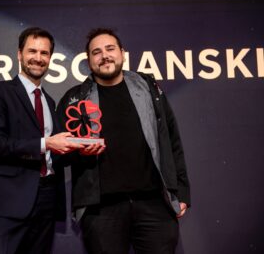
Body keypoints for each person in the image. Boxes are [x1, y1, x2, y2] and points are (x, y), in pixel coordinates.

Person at [57, 28, 191, 254]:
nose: (104, 56)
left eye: (110, 49)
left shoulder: (149, 89)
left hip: (154, 205)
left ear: (122, 53)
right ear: (89, 61)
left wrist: (181, 191)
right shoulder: (74, 99)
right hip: (102, 210)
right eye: (96, 52)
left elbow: (172, 140)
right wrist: (80, 150)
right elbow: (60, 152)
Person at [0, 27, 82, 254]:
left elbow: (56, 152)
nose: (38, 58)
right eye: (32, 51)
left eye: (44, 53)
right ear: (19, 54)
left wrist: (82, 148)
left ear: (50, 58)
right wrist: (46, 143)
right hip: (8, 201)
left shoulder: (49, 101)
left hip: (46, 200)